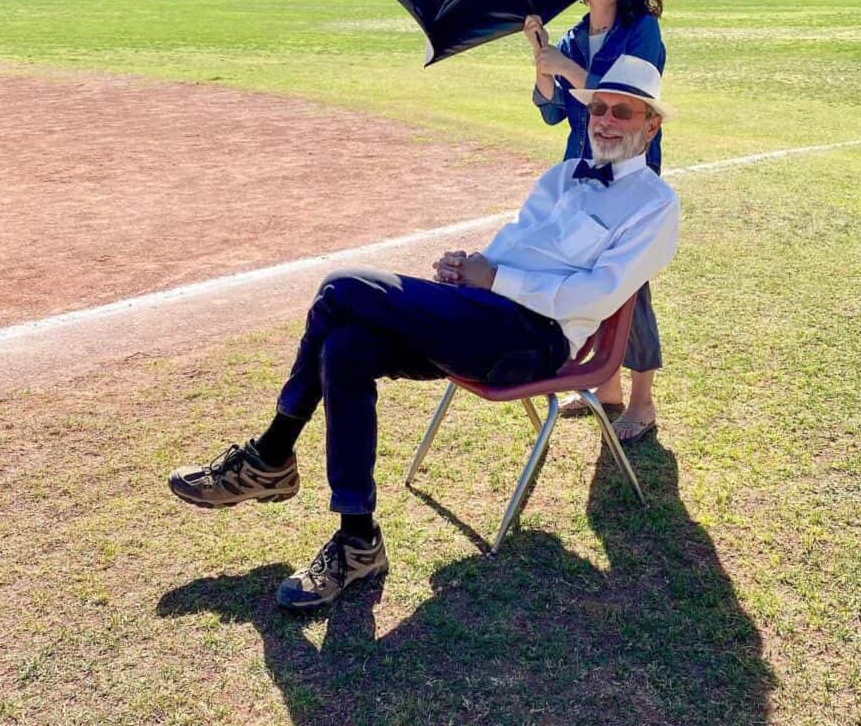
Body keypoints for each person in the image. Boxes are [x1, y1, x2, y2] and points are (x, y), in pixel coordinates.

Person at [169, 55, 679, 611]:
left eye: (622, 112)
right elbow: (512, 246)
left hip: (533, 342)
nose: (605, 120)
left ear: (651, 125)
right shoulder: (560, 176)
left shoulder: (655, 205)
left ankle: (270, 454)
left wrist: (497, 279)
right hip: (479, 314)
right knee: (346, 347)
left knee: (341, 287)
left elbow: (597, 296)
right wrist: (472, 267)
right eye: (599, 108)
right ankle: (358, 539)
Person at [523, 0, 666, 445]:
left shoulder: (641, 31)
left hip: (628, 174)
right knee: (588, 270)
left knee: (630, 281)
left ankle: (643, 402)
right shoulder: (571, 37)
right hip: (582, 172)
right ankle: (607, 391)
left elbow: (626, 102)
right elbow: (553, 114)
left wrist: (567, 69)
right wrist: (543, 63)